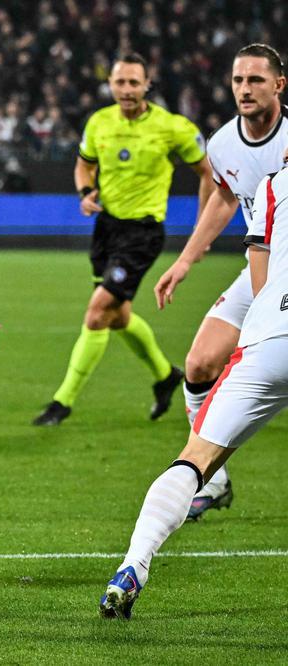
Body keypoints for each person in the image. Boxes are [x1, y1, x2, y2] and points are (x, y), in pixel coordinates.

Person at [100, 166, 287, 619]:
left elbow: (259, 277)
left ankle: (132, 567)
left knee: (195, 458)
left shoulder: (273, 183)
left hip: (268, 341)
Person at [33, 54, 213, 426]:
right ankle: (166, 378)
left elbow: (207, 173)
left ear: (147, 84)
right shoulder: (99, 122)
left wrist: (202, 227)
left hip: (143, 234)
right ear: (111, 85)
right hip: (107, 230)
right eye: (121, 83)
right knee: (119, 316)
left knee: (98, 311)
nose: (127, 90)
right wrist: (85, 191)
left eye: (134, 83)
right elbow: (84, 163)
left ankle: (61, 402)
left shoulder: (173, 127)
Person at [153, 44, 288, 520]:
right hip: (261, 267)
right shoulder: (224, 143)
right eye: (238, 81)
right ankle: (213, 479)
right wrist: (186, 260)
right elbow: (225, 199)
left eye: (255, 79)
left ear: (279, 84)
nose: (245, 89)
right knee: (199, 361)